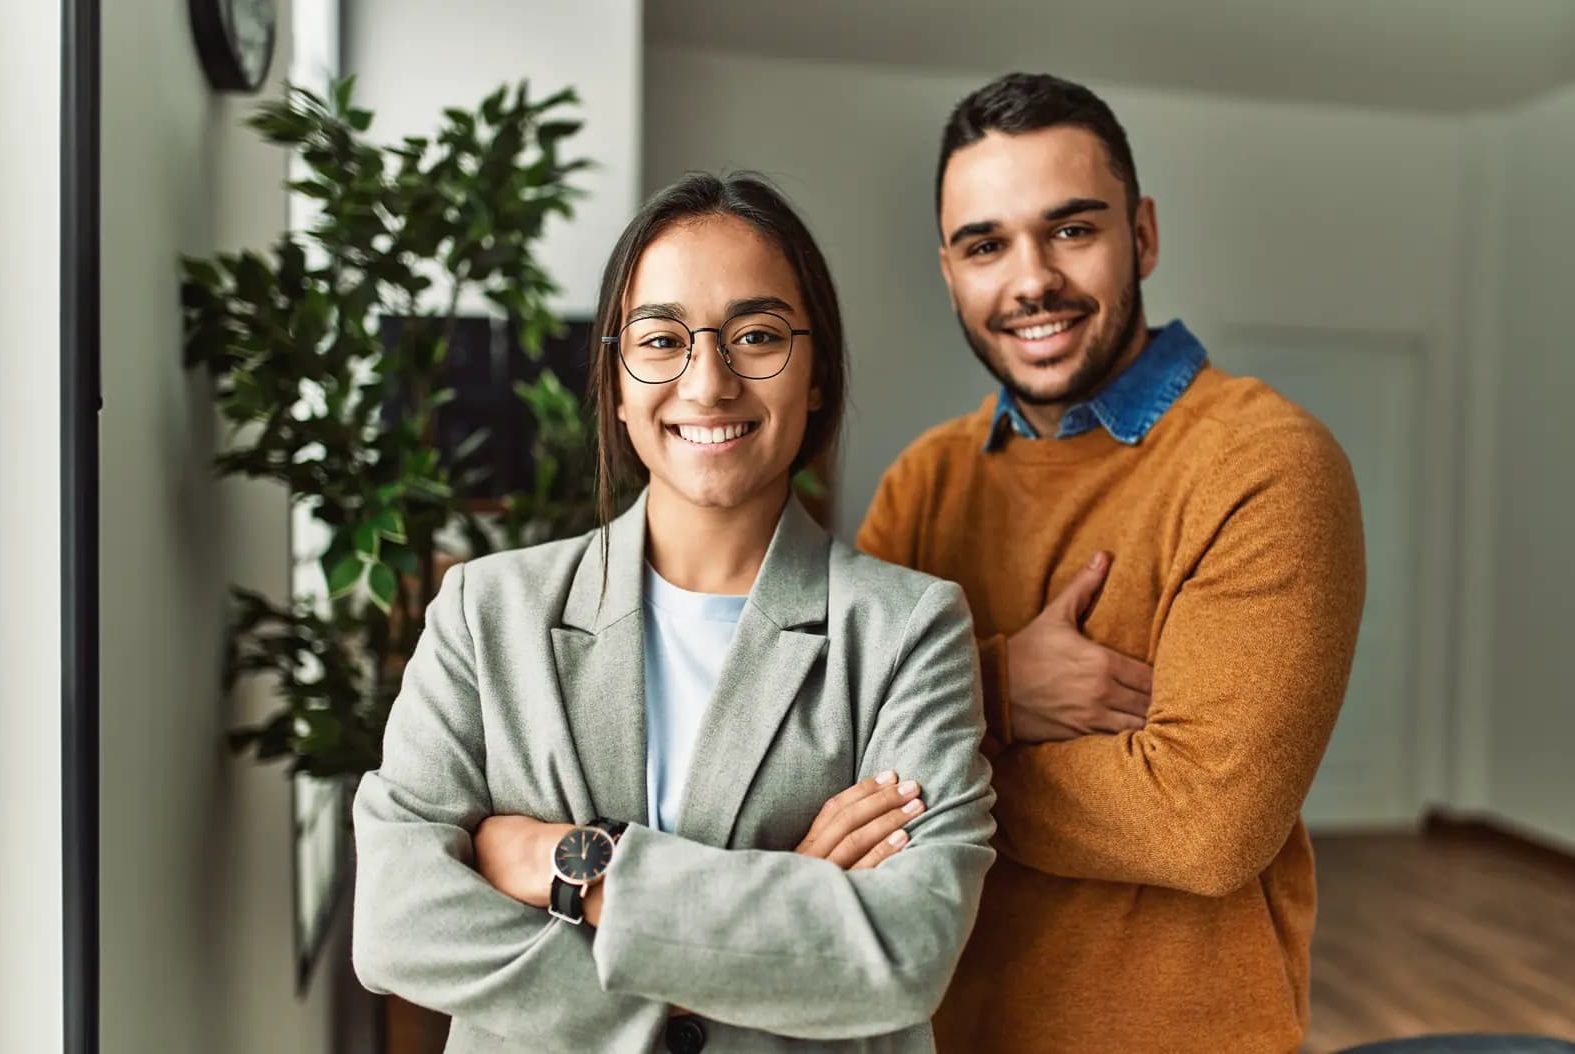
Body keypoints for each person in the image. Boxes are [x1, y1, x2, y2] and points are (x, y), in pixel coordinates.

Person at [351, 172, 997, 1053]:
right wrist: (777, 905)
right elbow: (398, 921)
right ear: (617, 384)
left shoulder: (907, 629)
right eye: (661, 339)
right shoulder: (484, 612)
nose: (708, 382)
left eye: (758, 336)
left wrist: (576, 870)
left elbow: (904, 951)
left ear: (817, 378)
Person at [856, 72, 1367, 1053]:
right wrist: (997, 689)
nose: (1030, 278)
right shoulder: (923, 482)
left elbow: (1200, 823)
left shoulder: (1263, 463)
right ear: (949, 271)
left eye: (1071, 229)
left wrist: (918, 757)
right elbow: (826, 754)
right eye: (985, 244)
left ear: (1142, 235)